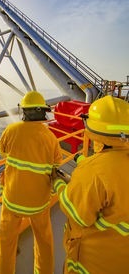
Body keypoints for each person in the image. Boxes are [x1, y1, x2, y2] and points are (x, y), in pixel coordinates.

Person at [52, 95, 129, 274]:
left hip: (93, 263)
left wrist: (58, 184)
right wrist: (84, 162)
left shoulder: (92, 171)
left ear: (92, 130)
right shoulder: (97, 168)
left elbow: (77, 215)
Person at [0, 91, 63, 274]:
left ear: (23, 111)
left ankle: (2, 271)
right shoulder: (51, 139)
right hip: (39, 203)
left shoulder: (11, 131)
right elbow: (56, 167)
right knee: (44, 241)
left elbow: (3, 152)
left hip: (12, 200)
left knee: (6, 240)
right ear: (43, 113)